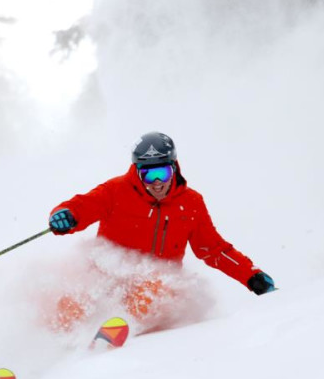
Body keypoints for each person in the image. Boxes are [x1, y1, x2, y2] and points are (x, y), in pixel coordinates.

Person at [48, 132, 275, 312]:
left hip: (154, 290)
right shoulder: (115, 191)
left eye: (163, 173)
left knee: (153, 289)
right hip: (107, 280)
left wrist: (250, 276)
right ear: (137, 172)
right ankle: (55, 347)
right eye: (148, 175)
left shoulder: (191, 203)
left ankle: (121, 326)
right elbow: (83, 206)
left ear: (174, 168)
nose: (156, 183)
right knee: (73, 297)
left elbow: (213, 249)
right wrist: (66, 215)